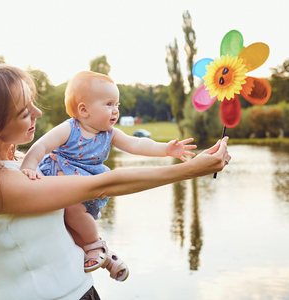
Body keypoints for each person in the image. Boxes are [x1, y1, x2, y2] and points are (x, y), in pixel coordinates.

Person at [0, 62, 231, 300]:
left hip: (80, 290)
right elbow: (102, 185)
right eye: (24, 112)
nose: (38, 113)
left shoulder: (18, 166)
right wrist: (190, 170)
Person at [20, 71, 197, 279]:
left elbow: (136, 143)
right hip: (62, 177)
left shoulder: (109, 134)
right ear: (84, 110)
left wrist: (165, 149)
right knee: (72, 223)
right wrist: (29, 166)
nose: (115, 111)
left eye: (117, 105)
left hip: (89, 183)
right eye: (109, 104)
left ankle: (98, 249)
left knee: (75, 221)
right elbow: (41, 145)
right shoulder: (69, 129)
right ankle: (103, 252)